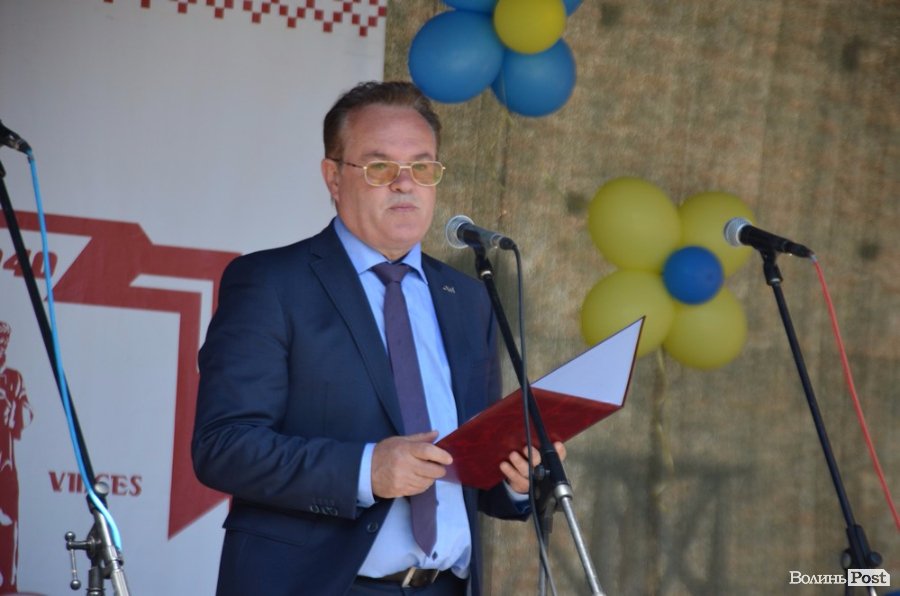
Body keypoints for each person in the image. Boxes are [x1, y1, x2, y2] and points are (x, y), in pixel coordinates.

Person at [192, 80, 564, 596]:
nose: (405, 184)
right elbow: (224, 447)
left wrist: (515, 478)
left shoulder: (466, 297)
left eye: (422, 167)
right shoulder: (272, 284)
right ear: (333, 177)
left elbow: (471, 468)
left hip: (446, 586)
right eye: (380, 167)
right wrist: (367, 470)